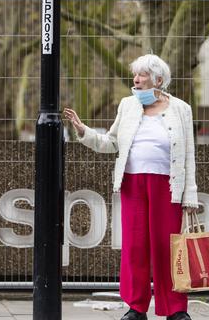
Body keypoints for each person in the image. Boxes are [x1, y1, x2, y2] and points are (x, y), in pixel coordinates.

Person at [63, 54, 198, 320]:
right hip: (133, 183)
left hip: (167, 185)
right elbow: (111, 143)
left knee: (166, 247)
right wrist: (83, 131)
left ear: (158, 79)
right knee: (135, 246)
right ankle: (136, 308)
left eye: (142, 75)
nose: (136, 79)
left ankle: (176, 309)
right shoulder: (127, 106)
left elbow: (189, 154)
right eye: (135, 75)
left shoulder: (181, 108)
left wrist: (189, 195)